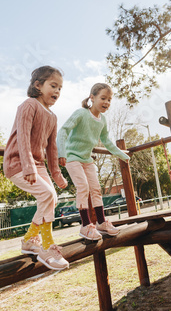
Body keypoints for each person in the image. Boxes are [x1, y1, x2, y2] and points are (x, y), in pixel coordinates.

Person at [3, 66, 69, 270]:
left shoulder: (53, 117)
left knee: (52, 197)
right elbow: (22, 136)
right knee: (47, 194)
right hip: (18, 163)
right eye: (53, 85)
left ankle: (30, 239)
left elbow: (52, 148)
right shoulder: (28, 105)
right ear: (37, 85)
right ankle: (47, 245)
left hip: (37, 165)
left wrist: (56, 174)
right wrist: (28, 166)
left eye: (60, 88)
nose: (57, 91)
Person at [57, 83, 130, 241]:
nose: (106, 102)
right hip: (72, 157)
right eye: (103, 98)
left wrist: (121, 154)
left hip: (87, 159)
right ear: (92, 97)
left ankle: (102, 222)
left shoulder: (102, 120)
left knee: (96, 189)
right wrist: (61, 152)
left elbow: (106, 141)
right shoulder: (81, 114)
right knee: (83, 187)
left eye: (109, 99)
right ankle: (85, 225)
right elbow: (63, 131)